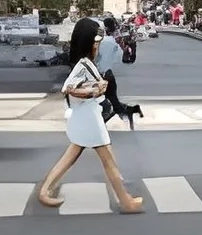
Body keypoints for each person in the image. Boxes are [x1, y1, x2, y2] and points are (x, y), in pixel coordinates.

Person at [35, 16, 143, 214]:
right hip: (87, 115)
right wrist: (94, 90)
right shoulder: (83, 64)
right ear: (88, 43)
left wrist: (96, 87)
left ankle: (44, 191)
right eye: (96, 42)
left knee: (74, 156)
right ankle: (125, 201)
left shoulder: (87, 63)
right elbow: (68, 88)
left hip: (89, 113)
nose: (98, 46)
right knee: (107, 159)